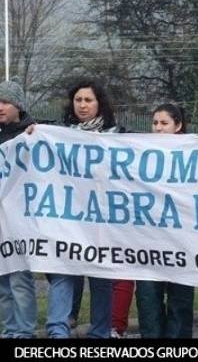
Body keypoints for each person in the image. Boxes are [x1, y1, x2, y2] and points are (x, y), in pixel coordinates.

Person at [43, 80, 122, 338]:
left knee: (101, 278)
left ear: (99, 103)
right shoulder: (58, 134)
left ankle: (99, 333)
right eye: (78, 100)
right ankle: (57, 331)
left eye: (88, 100)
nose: (83, 105)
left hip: (103, 221)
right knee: (63, 273)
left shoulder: (119, 135)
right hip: (67, 218)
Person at [134, 104, 196, 338]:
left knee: (180, 304)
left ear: (178, 126)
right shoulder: (138, 153)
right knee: (148, 302)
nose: (158, 128)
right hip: (148, 242)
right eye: (155, 123)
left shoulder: (194, 155)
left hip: (183, 243)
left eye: (164, 123)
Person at [0, 80, 38, 338]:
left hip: (20, 218)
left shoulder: (33, 134)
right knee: (2, 281)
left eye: (5, 102)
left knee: (19, 279)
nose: (0, 107)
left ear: (19, 106)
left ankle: (24, 333)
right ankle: (9, 329)